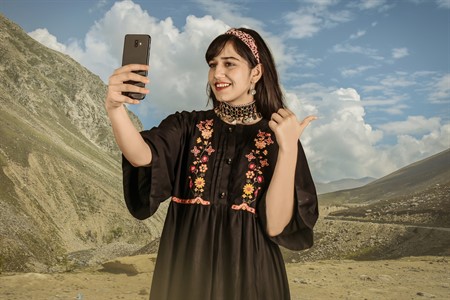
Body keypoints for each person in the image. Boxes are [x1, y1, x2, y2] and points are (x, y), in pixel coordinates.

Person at [105, 27, 318, 300]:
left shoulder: (279, 136)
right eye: (213, 64)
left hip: (251, 280)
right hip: (186, 274)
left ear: (256, 73)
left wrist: (288, 150)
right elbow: (141, 156)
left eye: (229, 64)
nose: (217, 73)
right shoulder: (186, 125)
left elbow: (276, 227)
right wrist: (115, 108)